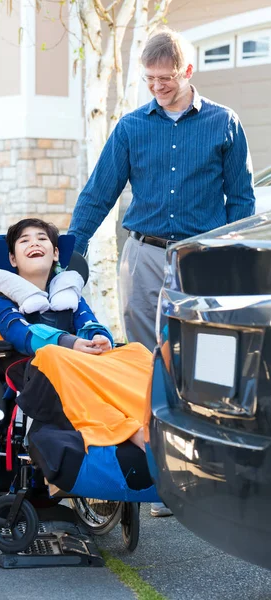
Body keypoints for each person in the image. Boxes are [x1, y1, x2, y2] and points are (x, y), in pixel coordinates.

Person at [68, 28, 256, 515]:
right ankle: (159, 476)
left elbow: (242, 202)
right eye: (150, 79)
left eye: (166, 78)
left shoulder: (224, 124)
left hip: (201, 259)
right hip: (145, 254)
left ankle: (212, 473)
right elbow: (99, 192)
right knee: (144, 362)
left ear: (187, 71)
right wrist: (71, 249)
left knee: (202, 362)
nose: (157, 87)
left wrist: (240, 266)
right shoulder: (132, 128)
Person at [0, 217, 155, 497]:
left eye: (42, 238)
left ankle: (154, 423)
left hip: (77, 361)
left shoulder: (68, 293)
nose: (34, 243)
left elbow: (88, 322)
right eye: (24, 240)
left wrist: (99, 338)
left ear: (56, 253)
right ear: (12, 258)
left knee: (136, 352)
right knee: (53, 353)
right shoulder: (1, 298)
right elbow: (20, 333)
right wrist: (69, 343)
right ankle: (132, 433)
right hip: (34, 369)